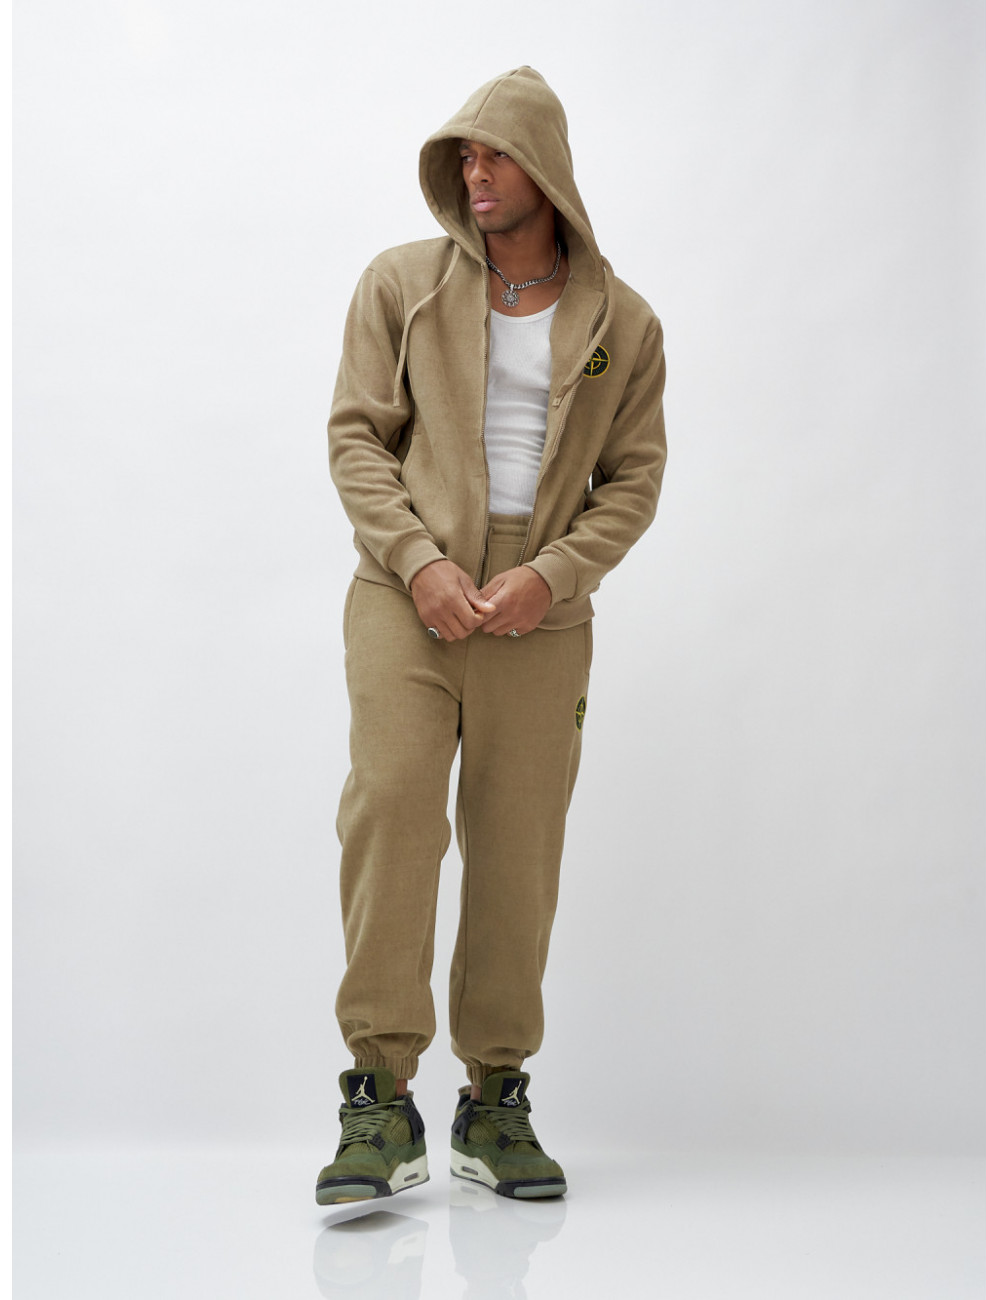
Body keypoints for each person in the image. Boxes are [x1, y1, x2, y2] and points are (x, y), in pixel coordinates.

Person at [316, 66, 666, 1205]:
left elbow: (633, 481)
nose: (474, 173)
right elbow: (356, 440)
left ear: (544, 166)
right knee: (391, 817)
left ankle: (494, 1099)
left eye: (494, 154)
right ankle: (379, 1096)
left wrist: (550, 576)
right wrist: (419, 561)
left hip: (539, 616)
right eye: (462, 156)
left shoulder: (623, 322)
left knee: (519, 847)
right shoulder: (401, 285)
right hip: (403, 594)